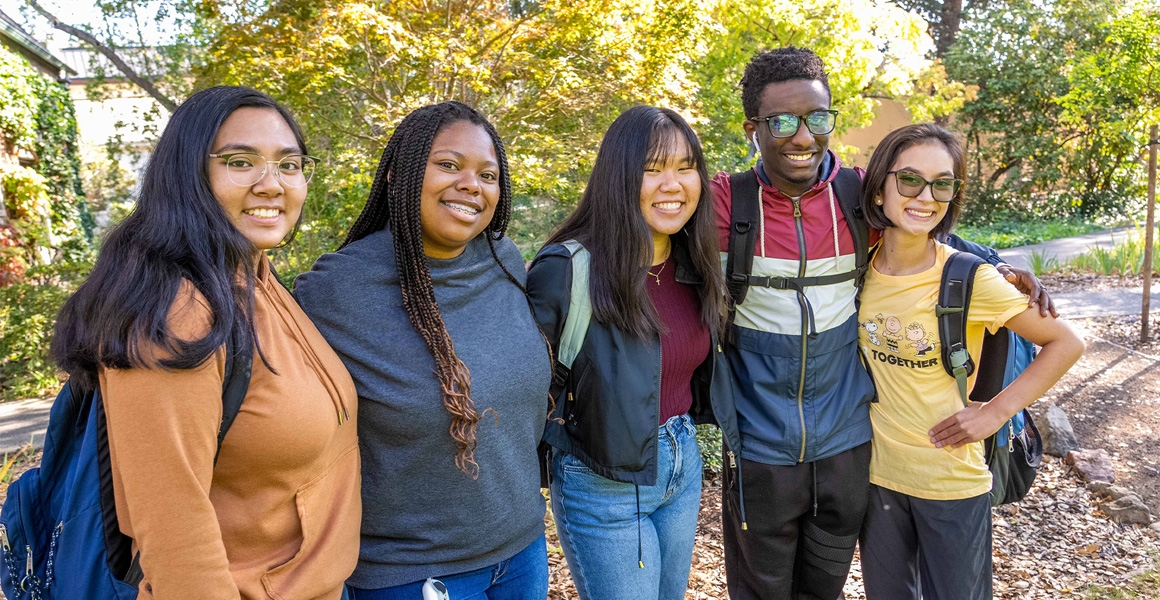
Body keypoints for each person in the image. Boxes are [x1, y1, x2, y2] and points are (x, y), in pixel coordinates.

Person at [711, 47, 1057, 599]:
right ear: (752, 128)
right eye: (783, 122)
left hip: (850, 452)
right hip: (761, 450)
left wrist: (998, 267)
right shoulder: (724, 204)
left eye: (818, 118)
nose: (804, 136)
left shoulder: (853, 195)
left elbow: (922, 224)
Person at [51, 86, 361, 599]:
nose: (272, 184)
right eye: (241, 162)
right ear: (189, 175)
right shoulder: (180, 310)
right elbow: (174, 531)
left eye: (289, 165)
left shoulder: (256, 276)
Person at [294, 101, 552, 600]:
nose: (471, 185)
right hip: (410, 574)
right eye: (449, 165)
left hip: (522, 552)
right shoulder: (335, 291)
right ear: (398, 173)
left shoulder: (505, 262)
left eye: (488, 174)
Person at [856, 123, 1084, 599]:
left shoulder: (969, 275)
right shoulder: (858, 268)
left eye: (943, 183)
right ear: (879, 187)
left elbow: (1066, 343)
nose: (926, 195)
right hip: (876, 480)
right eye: (910, 179)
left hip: (952, 483)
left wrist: (997, 411)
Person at [526, 106, 738, 600]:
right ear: (619, 176)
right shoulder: (570, 269)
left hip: (681, 461)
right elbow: (523, 387)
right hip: (601, 475)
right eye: (651, 168)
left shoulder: (694, 264)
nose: (673, 184)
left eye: (686, 167)